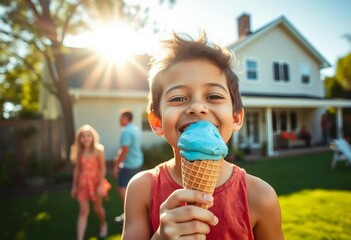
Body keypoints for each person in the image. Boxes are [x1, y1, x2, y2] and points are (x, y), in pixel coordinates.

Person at [122, 33, 284, 239]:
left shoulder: (260, 196)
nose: (197, 107)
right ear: (156, 121)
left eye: (214, 96)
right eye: (178, 97)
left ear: (235, 117)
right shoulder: (141, 189)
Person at [71, 124, 110, 240]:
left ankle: (103, 224)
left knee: (98, 209)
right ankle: (80, 237)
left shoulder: (99, 150)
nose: (86, 138)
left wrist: (99, 185)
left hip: (96, 182)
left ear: (93, 137)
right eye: (83, 136)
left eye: (88, 135)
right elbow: (77, 169)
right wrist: (74, 186)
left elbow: (103, 168)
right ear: (79, 139)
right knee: (83, 211)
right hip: (83, 184)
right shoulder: (78, 151)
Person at [113, 109, 144, 223]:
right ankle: (136, 212)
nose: (119, 120)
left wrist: (116, 164)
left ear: (126, 118)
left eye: (120, 117)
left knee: (122, 188)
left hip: (129, 164)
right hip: (137, 162)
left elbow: (124, 149)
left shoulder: (126, 131)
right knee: (134, 188)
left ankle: (129, 214)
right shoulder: (135, 129)